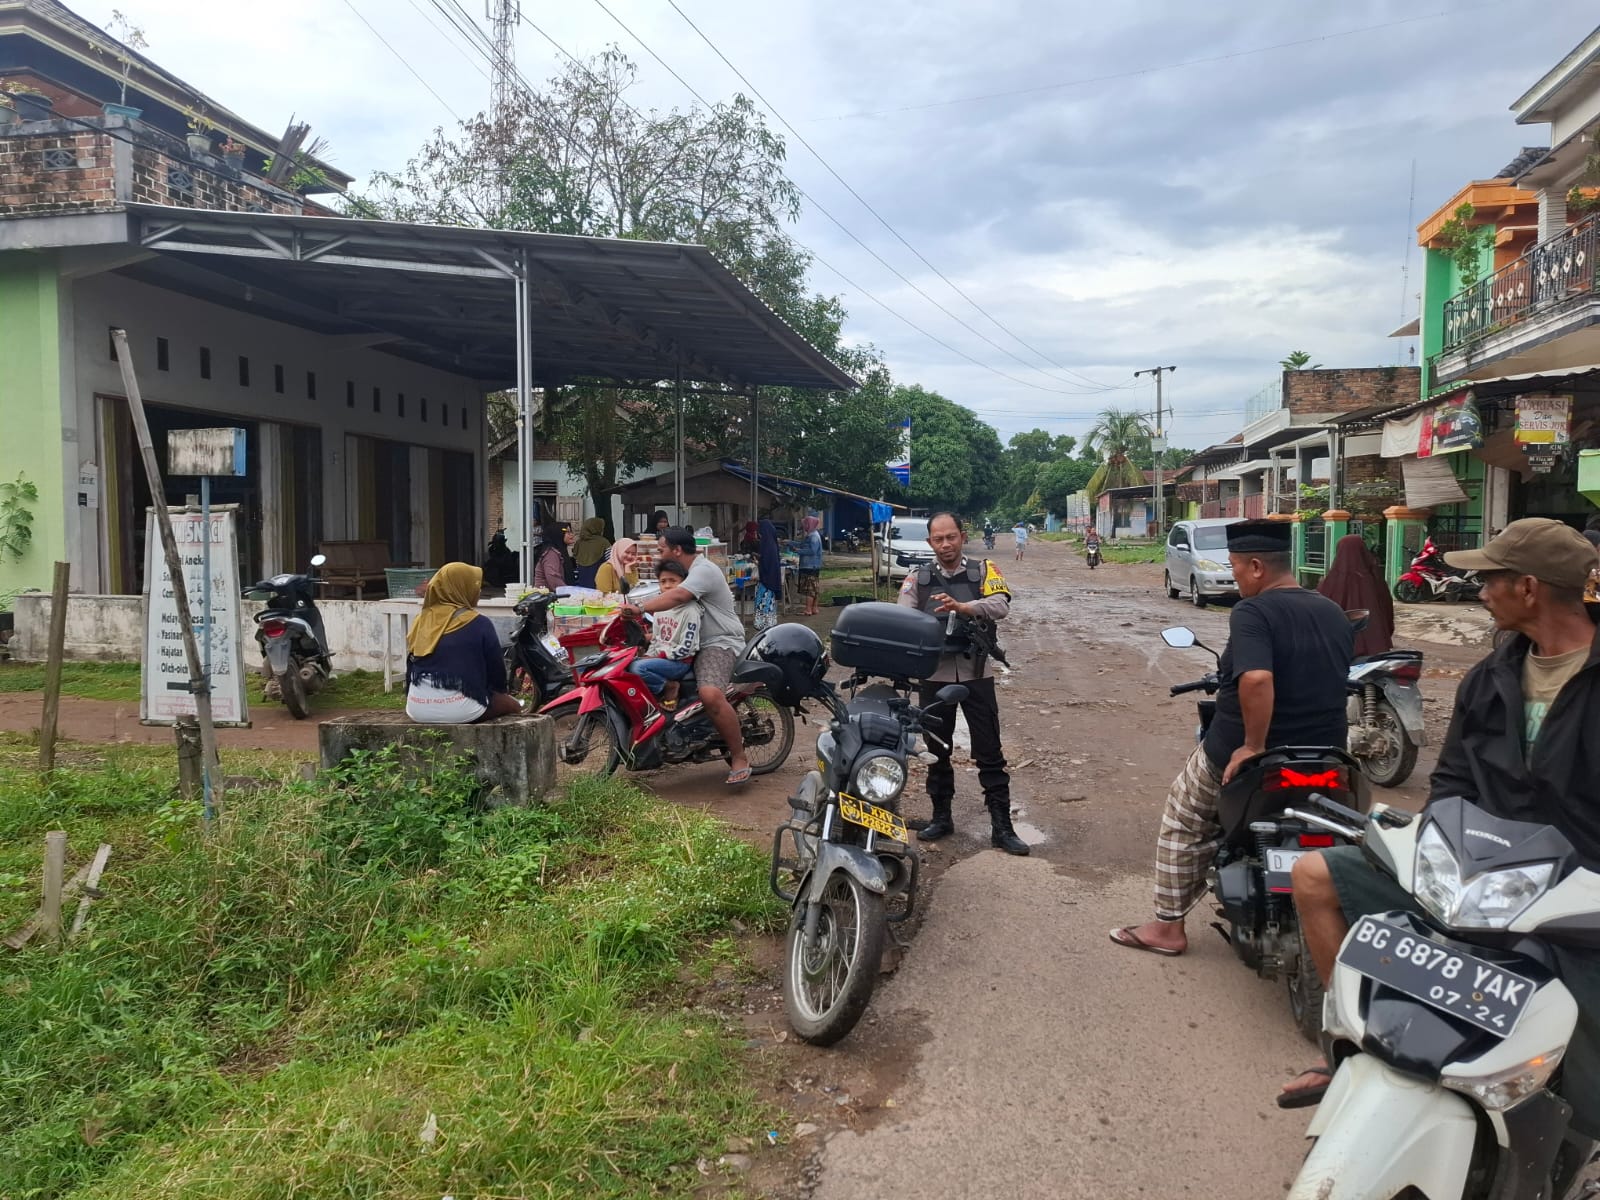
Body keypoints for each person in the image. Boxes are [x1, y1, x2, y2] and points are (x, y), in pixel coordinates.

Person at [1283, 518, 1600, 1116]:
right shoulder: (1491, 676)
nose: (1481, 590)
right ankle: (1352, 1043)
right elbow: (1452, 779)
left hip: (1579, 892)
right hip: (1479, 875)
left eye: (1490, 579)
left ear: (1528, 588)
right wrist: (1436, 850)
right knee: (1314, 877)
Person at [1110, 518, 1354, 956]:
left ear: (1257, 567)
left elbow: (1257, 678)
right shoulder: (1332, 611)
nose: (1234, 574)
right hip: (1328, 754)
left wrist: (1253, 746)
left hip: (1252, 756)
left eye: (1235, 565)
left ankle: (1167, 928)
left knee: (1184, 819)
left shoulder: (1253, 611)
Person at [897, 511, 1028, 856]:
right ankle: (941, 817)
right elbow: (902, 617)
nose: (945, 544)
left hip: (976, 673)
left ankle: (1002, 827)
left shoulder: (983, 570)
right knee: (936, 751)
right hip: (934, 676)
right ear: (930, 543)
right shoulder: (917, 578)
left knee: (989, 751)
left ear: (962, 536)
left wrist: (964, 607)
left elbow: (1000, 605)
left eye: (951, 537)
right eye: (938, 539)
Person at [628, 527, 752, 784]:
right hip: (692, 644)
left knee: (710, 694)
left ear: (677, 550)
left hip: (717, 642)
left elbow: (678, 596)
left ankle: (739, 756)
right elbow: (668, 603)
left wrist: (639, 608)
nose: (658, 554)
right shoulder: (684, 574)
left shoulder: (703, 570)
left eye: (661, 549)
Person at [405, 562, 521, 724]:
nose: (478, 591)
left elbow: (411, 666)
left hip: (416, 709)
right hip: (461, 711)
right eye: (474, 585)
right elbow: (496, 671)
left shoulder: (420, 621)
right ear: (460, 588)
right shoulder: (479, 623)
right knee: (514, 706)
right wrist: (499, 694)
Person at [630, 558, 699, 706]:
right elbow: (656, 639)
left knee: (637, 668)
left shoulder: (690, 611)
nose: (667, 585)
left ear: (684, 583)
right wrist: (649, 655)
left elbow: (687, 648)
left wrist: (661, 655)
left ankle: (669, 686)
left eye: (673, 581)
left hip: (678, 662)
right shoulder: (660, 609)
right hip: (661, 659)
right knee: (627, 664)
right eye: (663, 581)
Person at [1317, 533, 1395, 657]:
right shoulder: (1375, 579)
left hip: (1338, 649)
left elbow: (1319, 617)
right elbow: (1387, 607)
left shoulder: (1329, 583)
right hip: (1375, 646)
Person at [788, 516, 824, 617]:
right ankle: (814, 608)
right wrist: (789, 542)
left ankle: (808, 609)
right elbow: (802, 544)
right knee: (814, 587)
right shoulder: (811, 535)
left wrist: (798, 551)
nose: (804, 526)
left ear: (810, 524)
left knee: (810, 589)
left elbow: (812, 551)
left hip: (810, 565)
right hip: (812, 565)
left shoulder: (813, 537)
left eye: (805, 524)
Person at [754, 518, 782, 632]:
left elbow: (765, 564)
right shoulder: (772, 544)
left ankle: (764, 626)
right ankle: (769, 626)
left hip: (766, 582)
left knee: (764, 604)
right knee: (769, 605)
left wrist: (758, 562)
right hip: (772, 581)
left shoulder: (766, 545)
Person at [531, 522, 574, 592]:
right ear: (558, 534)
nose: (571, 535)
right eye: (567, 532)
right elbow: (553, 579)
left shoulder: (560, 551)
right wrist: (571, 593)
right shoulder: (551, 554)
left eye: (571, 532)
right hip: (547, 596)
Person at [572, 518, 611, 589]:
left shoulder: (579, 543)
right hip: (600, 583)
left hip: (582, 582)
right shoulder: (604, 542)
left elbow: (576, 561)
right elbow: (611, 562)